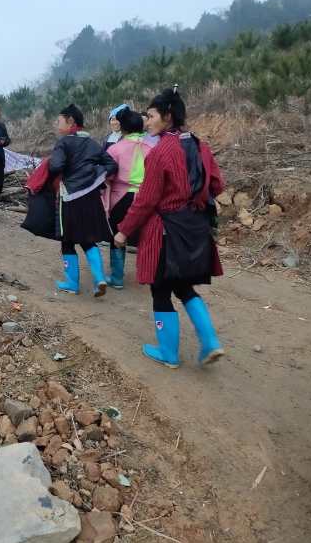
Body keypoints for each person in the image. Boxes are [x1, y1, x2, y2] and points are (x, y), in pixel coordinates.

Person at [114, 87, 225, 368]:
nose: (147, 121)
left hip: (166, 231)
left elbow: (146, 200)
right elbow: (217, 184)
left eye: (151, 116)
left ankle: (169, 353)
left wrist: (124, 230)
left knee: (161, 289)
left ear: (168, 116)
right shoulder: (199, 145)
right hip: (195, 228)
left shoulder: (160, 152)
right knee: (185, 286)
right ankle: (210, 341)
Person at [48, 104, 117, 297]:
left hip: (69, 198)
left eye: (59, 121)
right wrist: (94, 176)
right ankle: (99, 278)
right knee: (88, 239)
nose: (57, 124)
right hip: (91, 198)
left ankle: (72, 283)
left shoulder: (63, 143)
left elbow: (56, 166)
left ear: (70, 121)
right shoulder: (92, 143)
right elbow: (111, 165)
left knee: (67, 241)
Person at [102, 108, 150, 289]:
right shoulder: (151, 149)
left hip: (121, 197)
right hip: (145, 196)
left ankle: (117, 277)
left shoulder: (115, 149)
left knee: (117, 235)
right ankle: (147, 275)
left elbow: (107, 176)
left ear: (123, 128)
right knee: (144, 236)